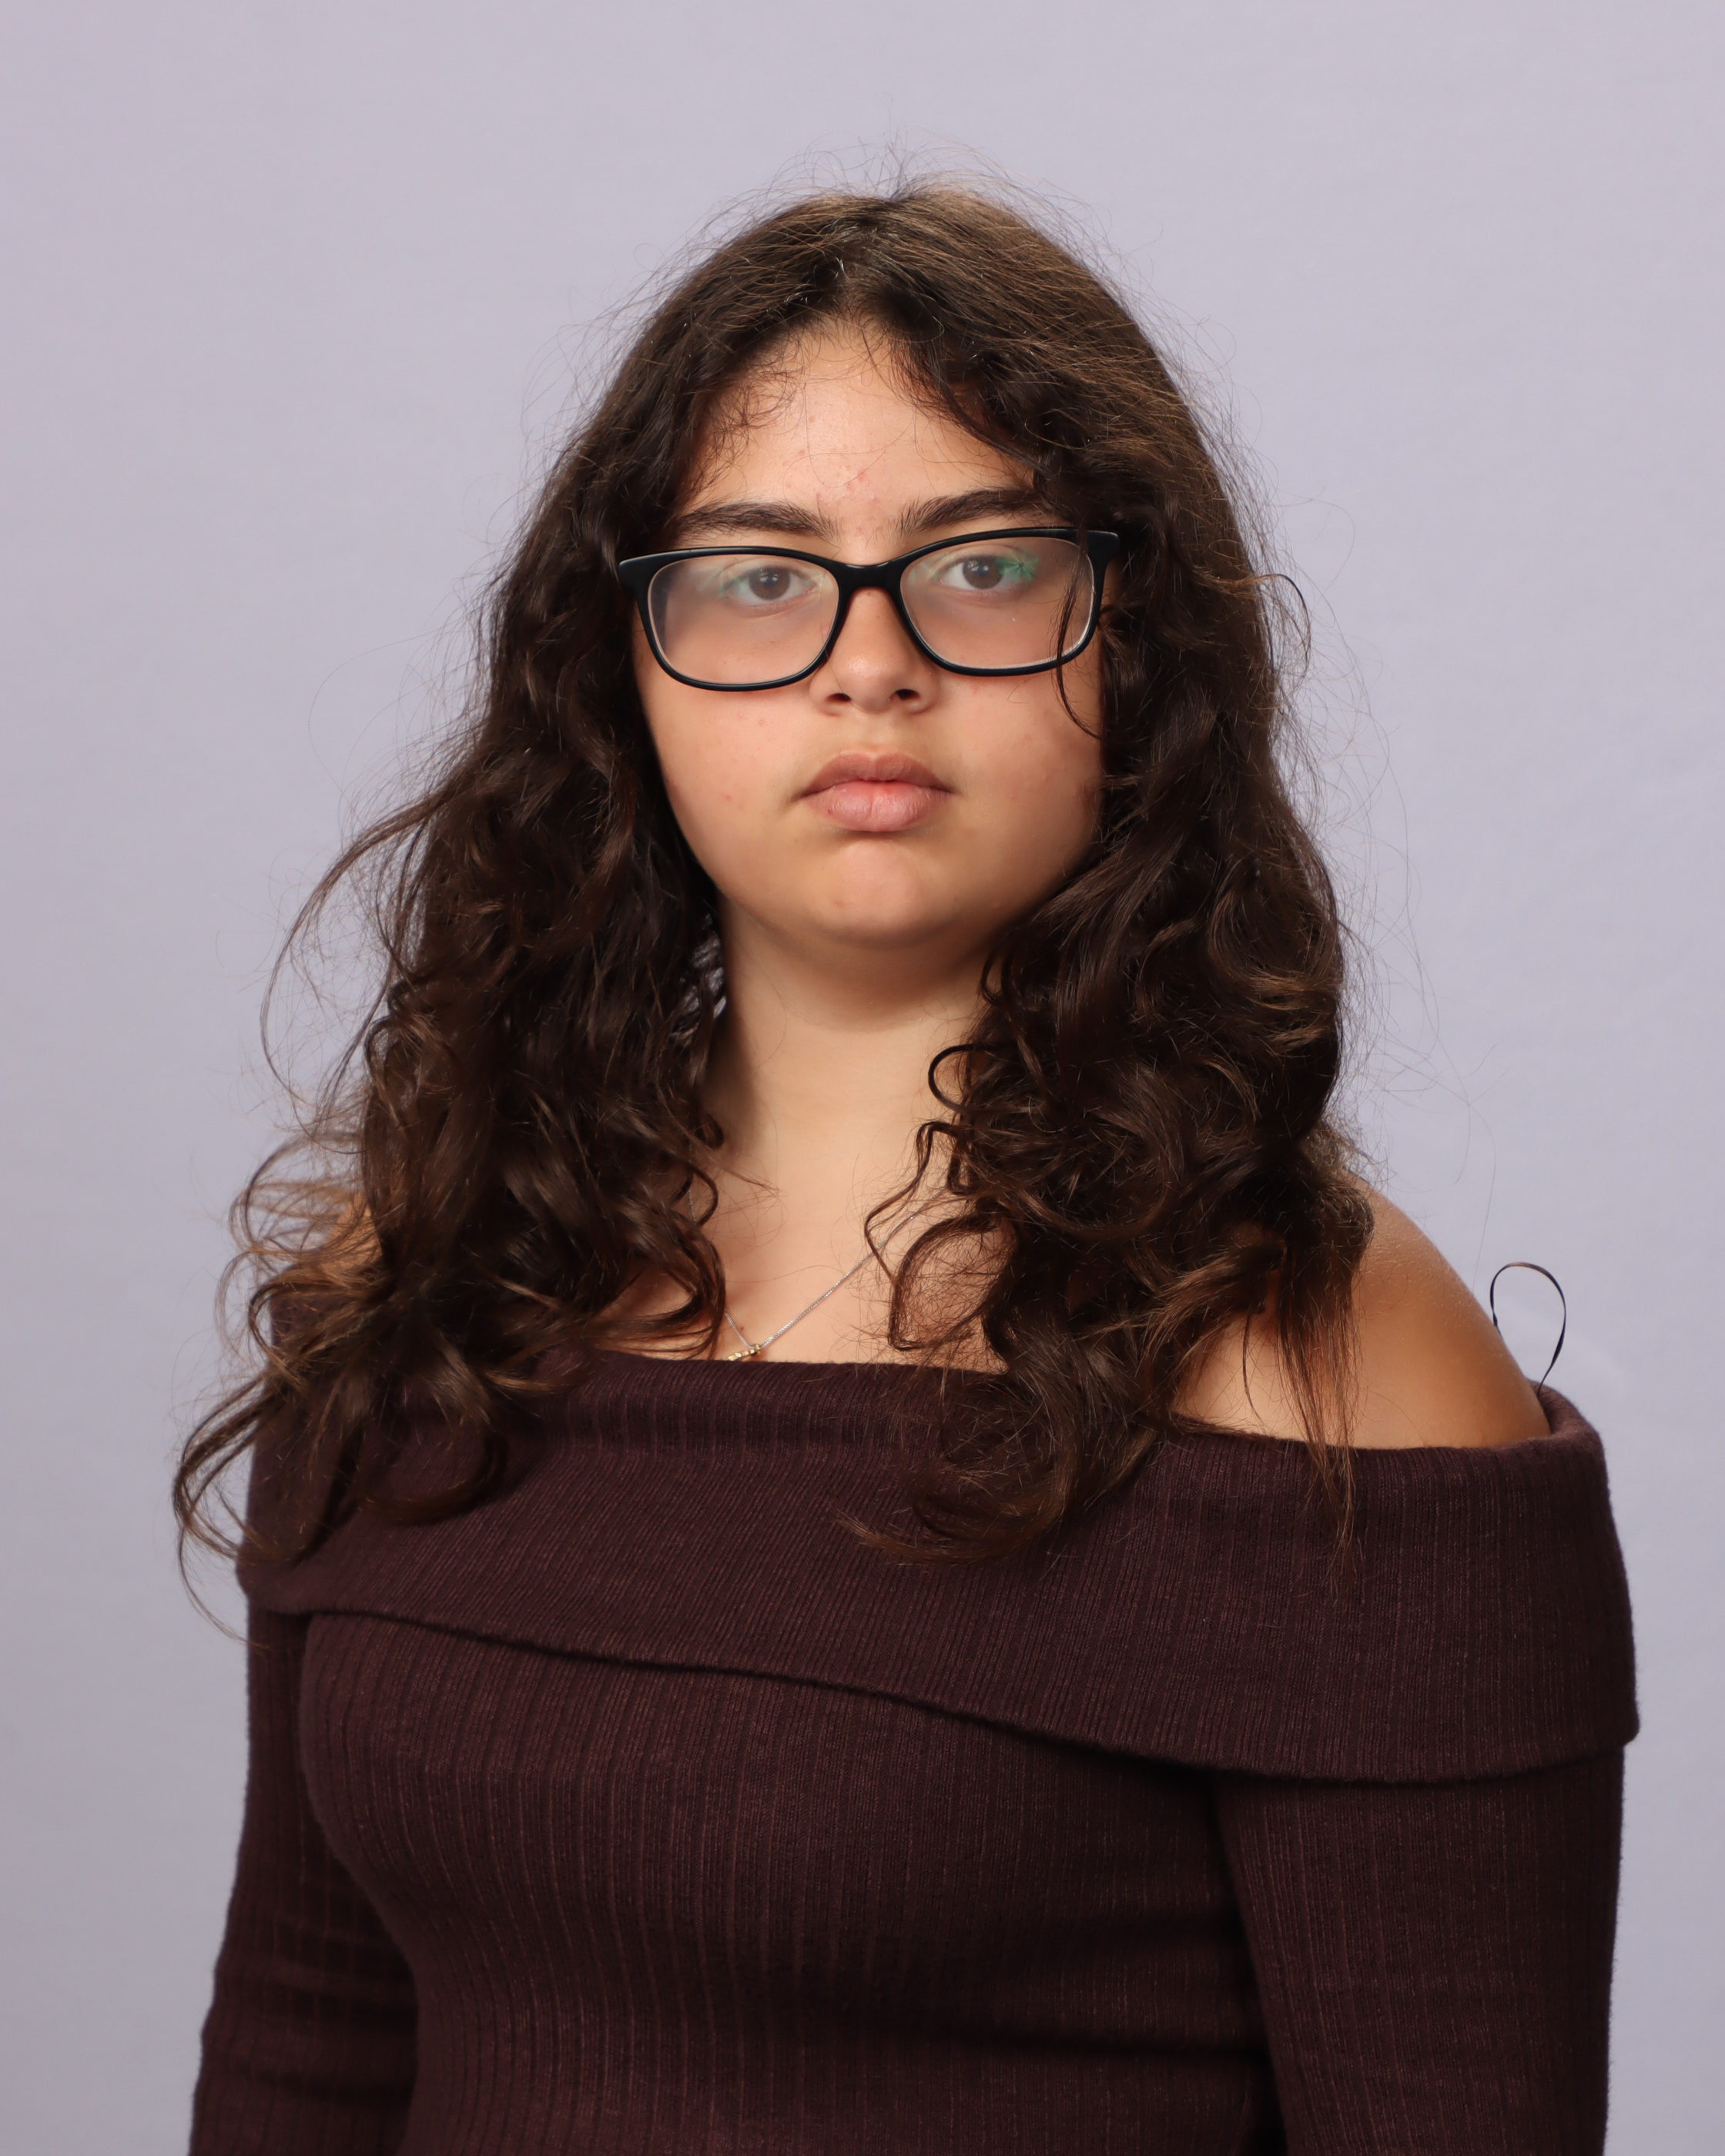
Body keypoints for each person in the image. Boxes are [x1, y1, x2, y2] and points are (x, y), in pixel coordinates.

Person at [181, 185, 1635, 2155]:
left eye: (983, 567)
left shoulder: (1321, 1351)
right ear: (622, 664)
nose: (869, 665)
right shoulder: (438, 1268)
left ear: (1134, 650)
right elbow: (304, 2056)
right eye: (758, 577)